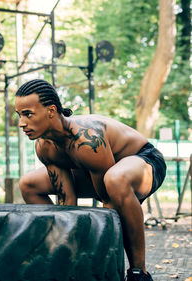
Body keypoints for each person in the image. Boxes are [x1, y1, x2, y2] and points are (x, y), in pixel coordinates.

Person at [15, 79, 166, 281]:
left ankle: (139, 272)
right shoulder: (44, 146)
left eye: (28, 114)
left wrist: (101, 262)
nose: (21, 123)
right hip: (100, 172)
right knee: (28, 184)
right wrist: (70, 253)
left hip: (145, 162)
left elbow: (108, 203)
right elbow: (66, 200)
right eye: (19, 115)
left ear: (51, 111)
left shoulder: (86, 141)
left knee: (114, 180)